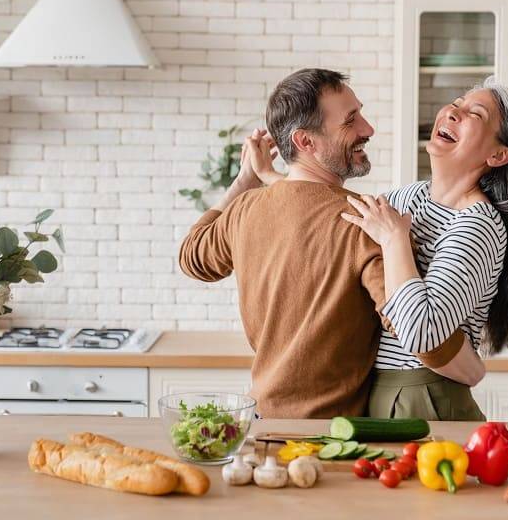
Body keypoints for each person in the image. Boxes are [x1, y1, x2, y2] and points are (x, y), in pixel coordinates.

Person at [251, 76, 508, 420]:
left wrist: (395, 240)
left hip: (426, 396)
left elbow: (422, 333)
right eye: (456, 104)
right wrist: (271, 176)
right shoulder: (409, 197)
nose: (452, 113)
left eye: (474, 114)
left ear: (498, 154)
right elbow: (336, 215)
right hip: (378, 392)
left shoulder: (478, 225)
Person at [178, 69, 475, 419]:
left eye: (360, 112)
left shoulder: (245, 209)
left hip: (261, 426)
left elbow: (192, 257)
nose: (368, 129)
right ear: (306, 142)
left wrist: (244, 181)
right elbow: (421, 335)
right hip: (332, 438)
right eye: (351, 121)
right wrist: (474, 370)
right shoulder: (365, 223)